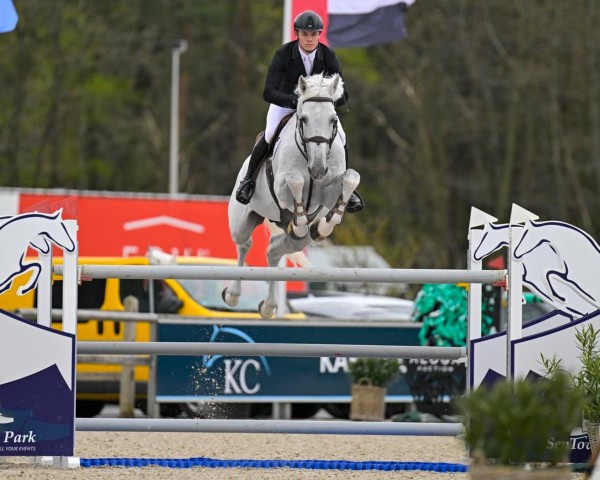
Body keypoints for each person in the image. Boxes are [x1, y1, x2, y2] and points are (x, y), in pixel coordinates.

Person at [235, 10, 364, 213]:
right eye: (305, 34)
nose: (310, 39)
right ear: (297, 34)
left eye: (314, 34)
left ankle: (347, 188)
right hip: (286, 104)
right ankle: (248, 180)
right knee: (269, 135)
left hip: (318, 110)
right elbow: (268, 91)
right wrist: (294, 100)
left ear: (319, 35)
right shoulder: (283, 54)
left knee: (341, 136)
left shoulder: (328, 56)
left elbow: (342, 93)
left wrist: (326, 102)